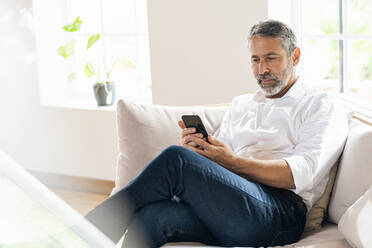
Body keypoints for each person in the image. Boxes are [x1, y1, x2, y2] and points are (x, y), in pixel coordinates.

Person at [85, 20, 349, 248]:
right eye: (255, 60)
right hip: (230, 204)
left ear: (295, 57)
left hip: (279, 213)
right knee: (151, 218)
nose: (262, 70)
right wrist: (202, 152)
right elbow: (220, 164)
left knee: (176, 160)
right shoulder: (242, 104)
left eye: (271, 58)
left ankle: (78, 236)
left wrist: (229, 162)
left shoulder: (320, 105)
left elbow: (300, 172)